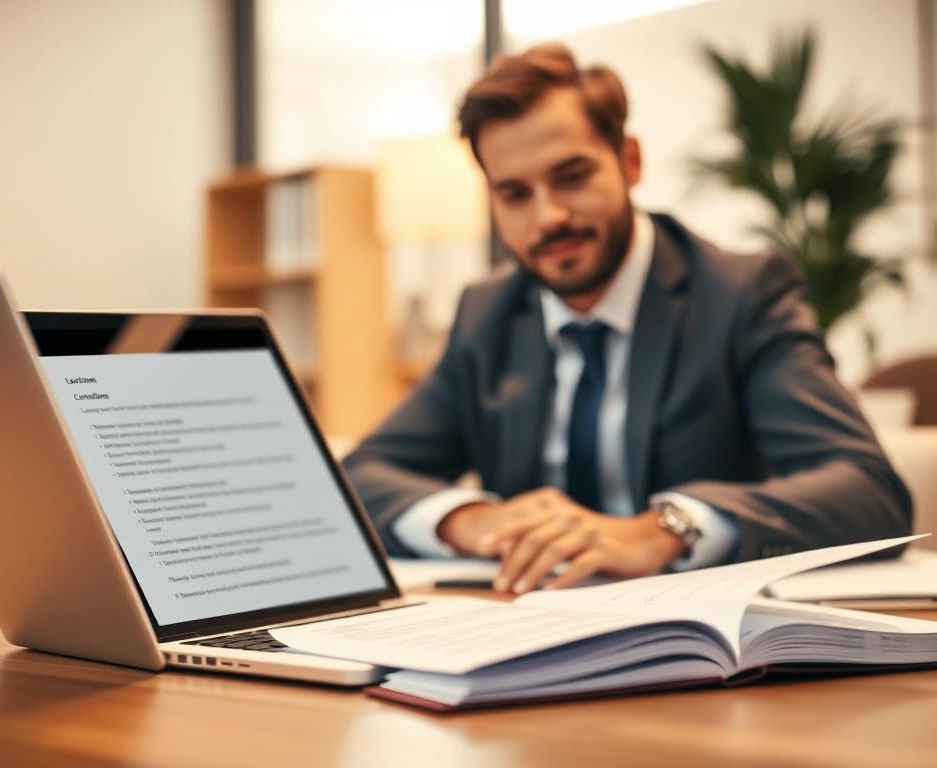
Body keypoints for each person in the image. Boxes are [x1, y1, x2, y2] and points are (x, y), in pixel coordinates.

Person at [343, 43, 911, 595]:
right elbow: (360, 475)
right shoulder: (489, 313)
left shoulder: (740, 295)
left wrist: (665, 528)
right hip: (525, 632)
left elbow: (869, 490)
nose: (549, 217)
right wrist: (469, 520)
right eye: (515, 193)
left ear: (629, 161)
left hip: (702, 647)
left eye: (572, 176)